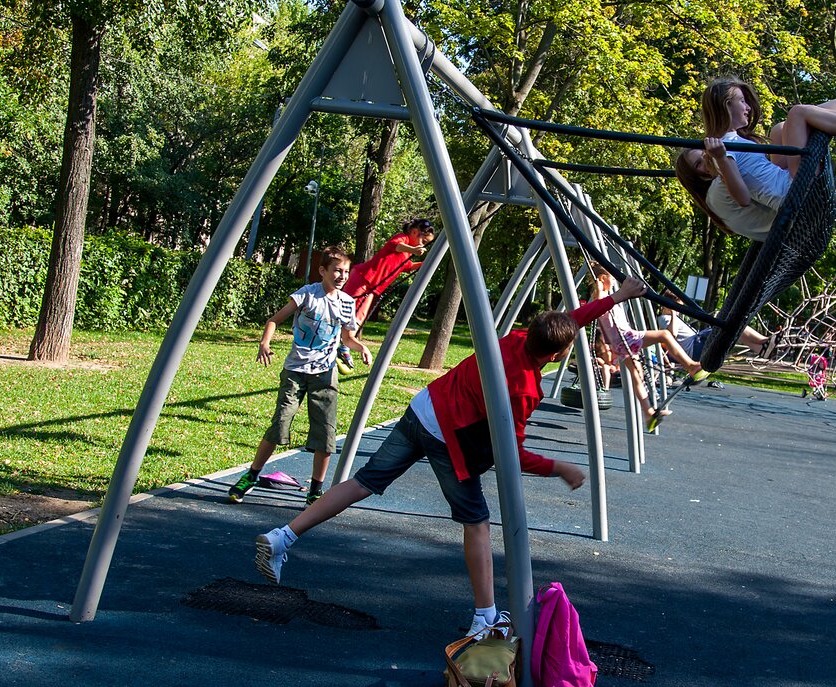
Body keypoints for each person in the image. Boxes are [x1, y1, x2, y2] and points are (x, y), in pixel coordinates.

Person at [253, 275, 651, 639]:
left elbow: (569, 320)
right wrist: (558, 467)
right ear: (557, 354)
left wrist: (615, 297)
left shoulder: (516, 338)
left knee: (362, 482)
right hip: (447, 436)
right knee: (477, 522)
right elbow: (509, 455)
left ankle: (282, 536)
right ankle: (485, 615)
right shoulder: (524, 388)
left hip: (423, 408)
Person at [674, 58, 836, 241]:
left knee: (780, 129)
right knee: (798, 113)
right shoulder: (720, 149)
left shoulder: (732, 140)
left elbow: (761, 173)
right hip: (795, 194)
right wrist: (720, 158)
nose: (748, 107)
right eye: (742, 101)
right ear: (726, 107)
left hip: (789, 186)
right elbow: (742, 198)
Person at [227, 246, 373, 508]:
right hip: (295, 371)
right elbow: (274, 320)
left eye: (346, 272)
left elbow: (347, 338)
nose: (342, 276)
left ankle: (315, 490)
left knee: (325, 433)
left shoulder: (347, 303)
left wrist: (361, 348)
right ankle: (251, 475)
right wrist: (264, 342)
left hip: (325, 375)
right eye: (337, 270)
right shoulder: (307, 295)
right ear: (322, 270)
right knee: (280, 424)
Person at [589, 265, 707, 420]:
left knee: (638, 377)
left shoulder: (607, 295)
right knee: (664, 334)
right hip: (624, 338)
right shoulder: (601, 295)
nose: (614, 282)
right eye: (612, 278)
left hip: (622, 341)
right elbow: (598, 297)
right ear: (603, 279)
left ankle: (648, 413)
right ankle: (691, 366)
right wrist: (600, 286)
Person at [342, 218, 437, 335]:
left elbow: (408, 267)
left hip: (372, 288)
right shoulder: (402, 238)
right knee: (345, 310)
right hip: (362, 278)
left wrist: (426, 263)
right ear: (414, 232)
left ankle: (345, 344)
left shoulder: (407, 254)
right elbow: (396, 245)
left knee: (359, 317)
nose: (423, 245)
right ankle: (337, 338)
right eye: (423, 241)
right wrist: (413, 250)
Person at [657, 293, 779, 371]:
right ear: (668, 306)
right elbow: (671, 335)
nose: (679, 311)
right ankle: (764, 340)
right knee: (730, 324)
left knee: (732, 332)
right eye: (677, 307)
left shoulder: (672, 318)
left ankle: (762, 350)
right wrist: (673, 313)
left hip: (698, 343)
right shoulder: (664, 318)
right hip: (695, 347)